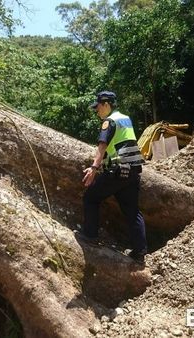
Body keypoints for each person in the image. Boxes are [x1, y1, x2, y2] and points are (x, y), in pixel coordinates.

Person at [80, 91, 147, 264]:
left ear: (106, 104)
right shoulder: (126, 119)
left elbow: (102, 146)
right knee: (132, 211)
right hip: (133, 171)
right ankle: (140, 252)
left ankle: (90, 236)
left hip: (117, 170)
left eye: (98, 107)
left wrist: (94, 168)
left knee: (90, 198)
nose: (97, 111)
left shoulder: (108, 122)